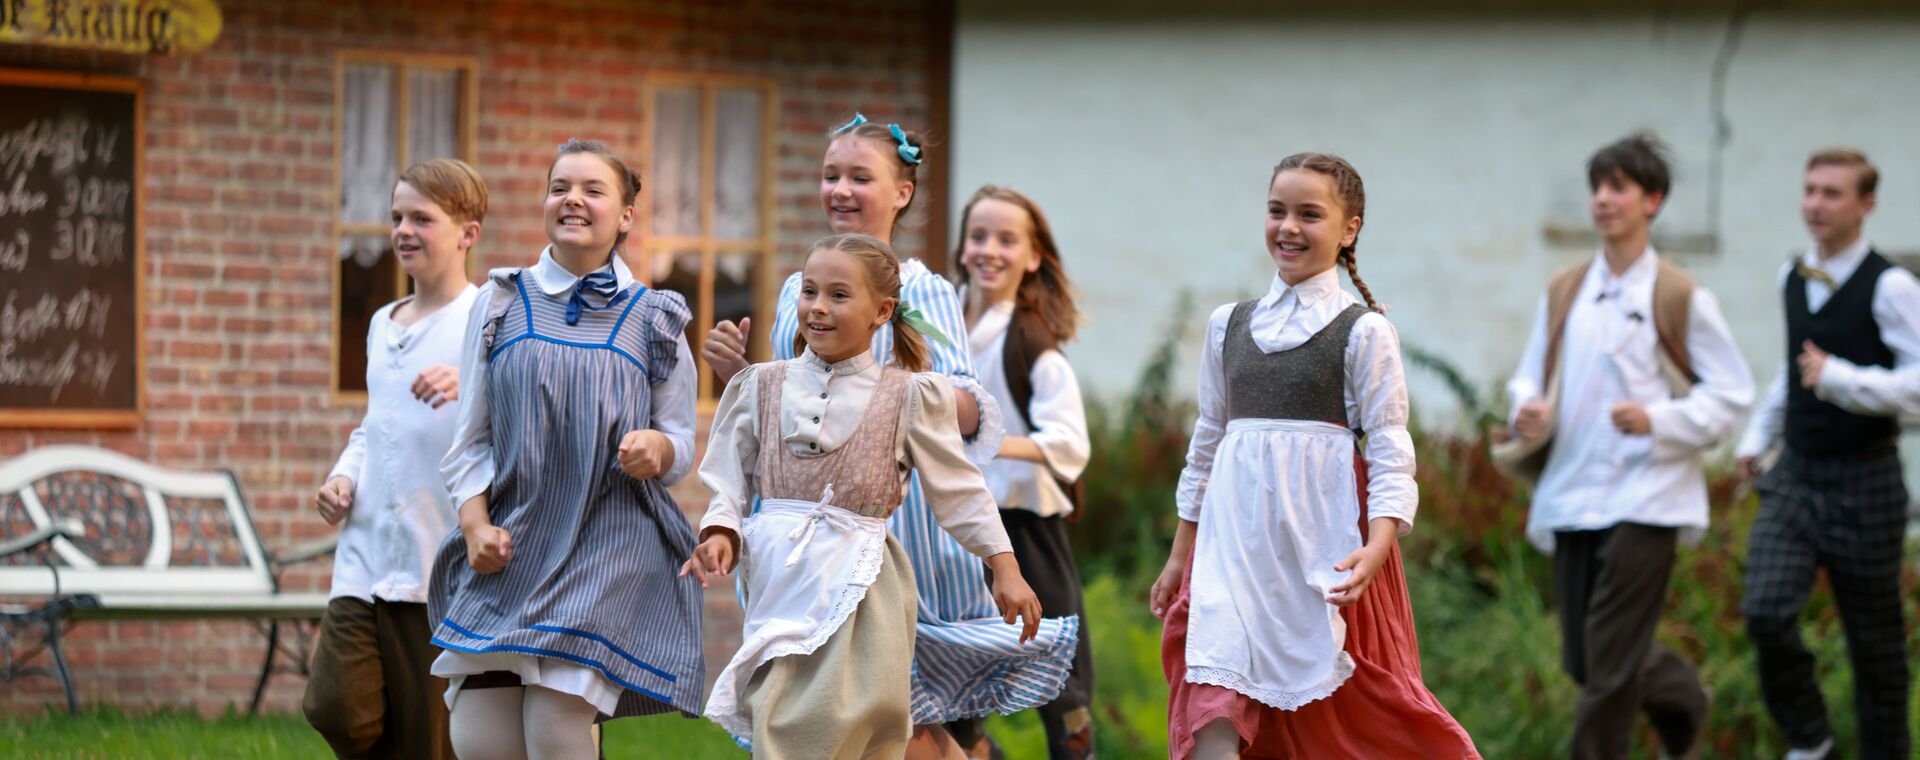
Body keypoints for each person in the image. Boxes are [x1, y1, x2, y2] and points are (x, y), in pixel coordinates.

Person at [1154, 152, 1479, 759]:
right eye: (1277, 211)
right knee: (1212, 708)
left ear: (1349, 228)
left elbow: (1389, 449)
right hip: (1230, 549)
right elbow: (1207, 443)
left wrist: (1378, 546)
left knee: (1337, 721)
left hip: (1320, 549)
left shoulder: (1362, 332)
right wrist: (1180, 556)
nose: (1289, 228)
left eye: (1310, 214)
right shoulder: (1229, 325)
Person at [428, 139, 703, 759]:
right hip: (512, 536)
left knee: (554, 725)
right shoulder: (500, 301)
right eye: (560, 187)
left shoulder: (653, 316)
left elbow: (682, 438)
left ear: (625, 215)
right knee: (478, 735)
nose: (572, 199)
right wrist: (474, 526)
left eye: (593, 189)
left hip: (606, 535)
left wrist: (657, 448)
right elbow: (470, 438)